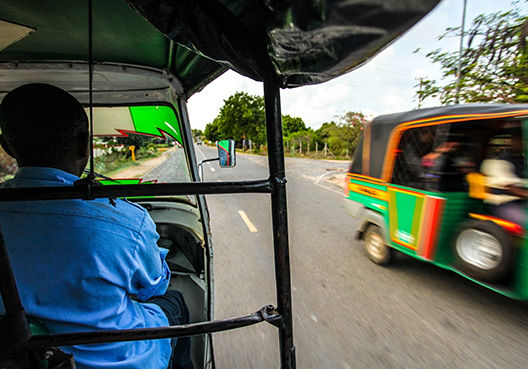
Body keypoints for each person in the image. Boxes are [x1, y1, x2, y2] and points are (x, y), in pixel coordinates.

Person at [0, 83, 192, 369]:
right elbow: (154, 286)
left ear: (6, 146)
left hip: (20, 357)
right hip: (120, 361)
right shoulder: (124, 218)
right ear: (84, 145)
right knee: (175, 302)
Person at [481, 132, 526, 227]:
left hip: (522, 202)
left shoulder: (521, 160)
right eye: (520, 140)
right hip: (503, 204)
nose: (523, 143)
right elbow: (510, 188)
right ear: (512, 142)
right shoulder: (500, 161)